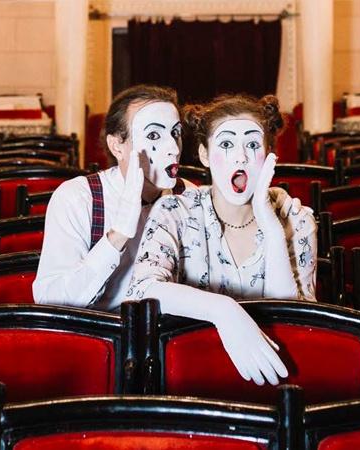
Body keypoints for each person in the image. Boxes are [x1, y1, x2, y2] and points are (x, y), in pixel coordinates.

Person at [33, 85, 302, 313]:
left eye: (174, 133)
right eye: (153, 135)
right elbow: (51, 300)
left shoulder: (190, 196)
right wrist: (117, 237)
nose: (173, 149)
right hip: (101, 340)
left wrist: (278, 205)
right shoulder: (78, 198)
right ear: (117, 146)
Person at [128, 94, 317, 386]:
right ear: (204, 154)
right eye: (226, 144)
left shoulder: (296, 218)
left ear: (268, 154)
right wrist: (223, 309)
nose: (240, 157)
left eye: (252, 145)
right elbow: (142, 290)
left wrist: (272, 229)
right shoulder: (174, 211)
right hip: (195, 382)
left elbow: (296, 322)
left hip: (277, 384)